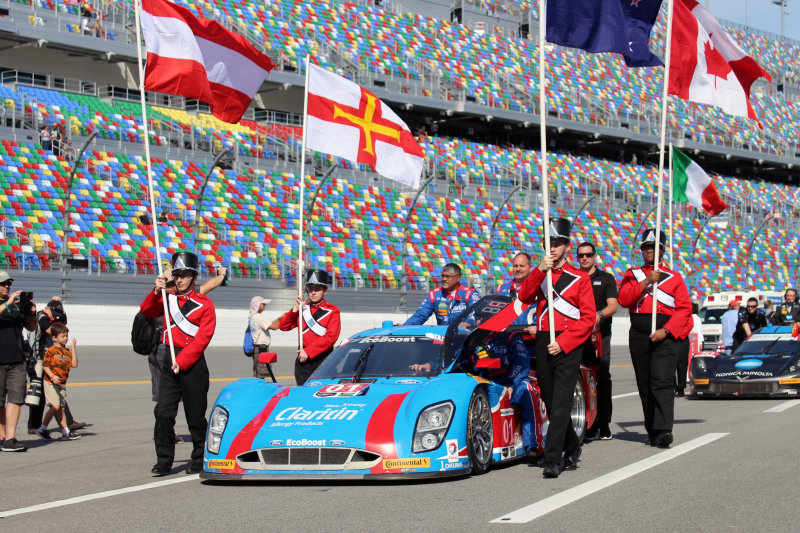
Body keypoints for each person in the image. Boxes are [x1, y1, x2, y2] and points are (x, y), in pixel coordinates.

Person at [518, 218, 595, 478]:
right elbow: (524, 297)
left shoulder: (580, 278)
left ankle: (553, 458)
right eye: (549, 243)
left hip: (567, 342)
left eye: (558, 243)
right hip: (543, 338)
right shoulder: (541, 275)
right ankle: (573, 445)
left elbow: (587, 318)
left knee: (561, 401)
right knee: (549, 399)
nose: (553, 248)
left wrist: (563, 343)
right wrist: (539, 269)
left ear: (567, 246)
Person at [141, 252, 216, 476]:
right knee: (163, 413)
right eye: (177, 275)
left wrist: (182, 361)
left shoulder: (205, 304)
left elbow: (203, 338)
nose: (180, 279)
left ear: (194, 277)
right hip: (168, 362)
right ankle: (164, 460)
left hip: (191, 363)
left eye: (184, 275)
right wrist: (156, 291)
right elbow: (147, 310)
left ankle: (199, 457)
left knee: (195, 416)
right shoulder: (166, 297)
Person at [618, 229, 691, 449]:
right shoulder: (633, 274)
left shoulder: (674, 277)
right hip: (639, 333)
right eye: (646, 247)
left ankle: (664, 429)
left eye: (653, 247)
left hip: (664, 334)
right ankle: (651, 429)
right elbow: (624, 299)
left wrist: (666, 331)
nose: (649, 251)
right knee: (645, 383)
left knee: (662, 381)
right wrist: (647, 281)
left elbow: (684, 309)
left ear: (662, 250)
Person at [471, 331, 538, 460]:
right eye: (477, 318)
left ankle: (532, 445)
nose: (479, 320)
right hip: (490, 380)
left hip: (514, 379)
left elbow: (521, 362)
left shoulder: (511, 337)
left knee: (525, 390)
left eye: (482, 317)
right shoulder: (475, 341)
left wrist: (511, 383)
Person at [576, 241, 618, 441]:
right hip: (578, 336)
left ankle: (604, 423)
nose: (584, 258)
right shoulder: (574, 278)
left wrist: (598, 315)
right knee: (580, 380)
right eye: (581, 255)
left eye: (588, 255)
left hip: (600, 337)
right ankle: (587, 423)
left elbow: (613, 305)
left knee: (601, 379)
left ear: (594, 256)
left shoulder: (606, 279)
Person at [29, 298, 85, 434]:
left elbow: (61, 326)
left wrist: (62, 312)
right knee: (43, 394)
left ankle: (38, 425)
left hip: (46, 359)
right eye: (54, 316)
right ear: (48, 309)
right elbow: (53, 331)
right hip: (39, 360)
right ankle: (38, 425)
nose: (55, 319)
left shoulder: (50, 317)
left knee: (50, 394)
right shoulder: (42, 316)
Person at [279, 269, 341, 385]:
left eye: (317, 289)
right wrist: (295, 310)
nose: (313, 292)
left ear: (325, 291)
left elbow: (331, 337)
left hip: (324, 359)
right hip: (304, 361)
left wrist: (309, 351)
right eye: (311, 289)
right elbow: (283, 326)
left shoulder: (332, 310)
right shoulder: (303, 308)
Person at [0, 271, 38, 452]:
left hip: (16, 359)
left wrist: (32, 314)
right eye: (3, 284)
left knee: (15, 398)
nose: (7, 286)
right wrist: (7, 304)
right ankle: (1, 436)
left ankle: (10, 438)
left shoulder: (16, 306)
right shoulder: (7, 304)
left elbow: (31, 327)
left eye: (9, 283)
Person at [36, 323, 81, 441]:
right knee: (55, 406)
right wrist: (52, 376)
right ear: (54, 338)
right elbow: (45, 366)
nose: (65, 338)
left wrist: (73, 348)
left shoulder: (67, 352)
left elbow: (74, 364)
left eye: (66, 336)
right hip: (50, 382)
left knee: (61, 407)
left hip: (61, 383)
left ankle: (65, 432)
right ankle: (42, 428)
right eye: (63, 336)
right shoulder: (51, 351)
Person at [405, 263, 480, 326]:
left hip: (463, 337)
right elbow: (421, 315)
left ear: (458, 278)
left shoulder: (470, 294)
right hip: (442, 337)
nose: (444, 279)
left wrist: (468, 323)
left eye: (447, 276)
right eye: (443, 276)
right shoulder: (434, 294)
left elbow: (476, 314)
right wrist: (405, 326)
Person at [248, 296, 279, 377]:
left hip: (257, 346)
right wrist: (282, 318)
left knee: (257, 370)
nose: (265, 305)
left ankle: (256, 386)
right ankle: (258, 388)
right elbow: (273, 327)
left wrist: (279, 318)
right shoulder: (257, 317)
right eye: (263, 304)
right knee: (261, 372)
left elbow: (270, 324)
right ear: (257, 305)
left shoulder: (252, 316)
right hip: (261, 347)